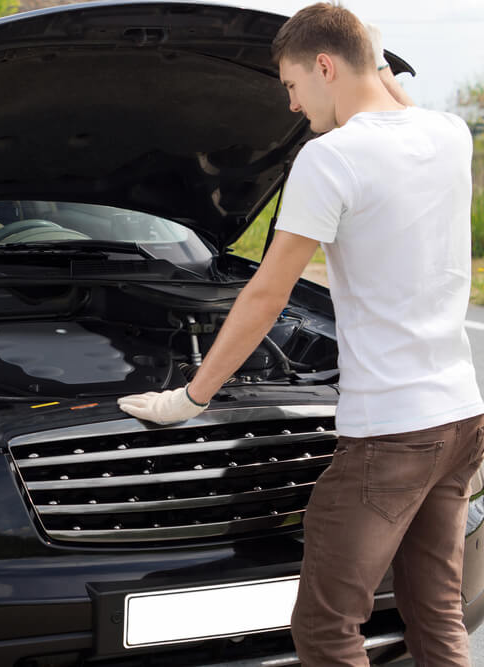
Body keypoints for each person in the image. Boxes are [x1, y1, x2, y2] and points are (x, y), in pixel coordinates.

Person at [117, 3, 484, 665]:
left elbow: (267, 292)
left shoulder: (331, 158)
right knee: (437, 616)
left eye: (290, 84)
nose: (290, 104)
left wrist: (192, 396)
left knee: (325, 626)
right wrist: (370, 51)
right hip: (460, 417)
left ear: (323, 67)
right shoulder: (449, 132)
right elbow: (393, 97)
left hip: (389, 433)